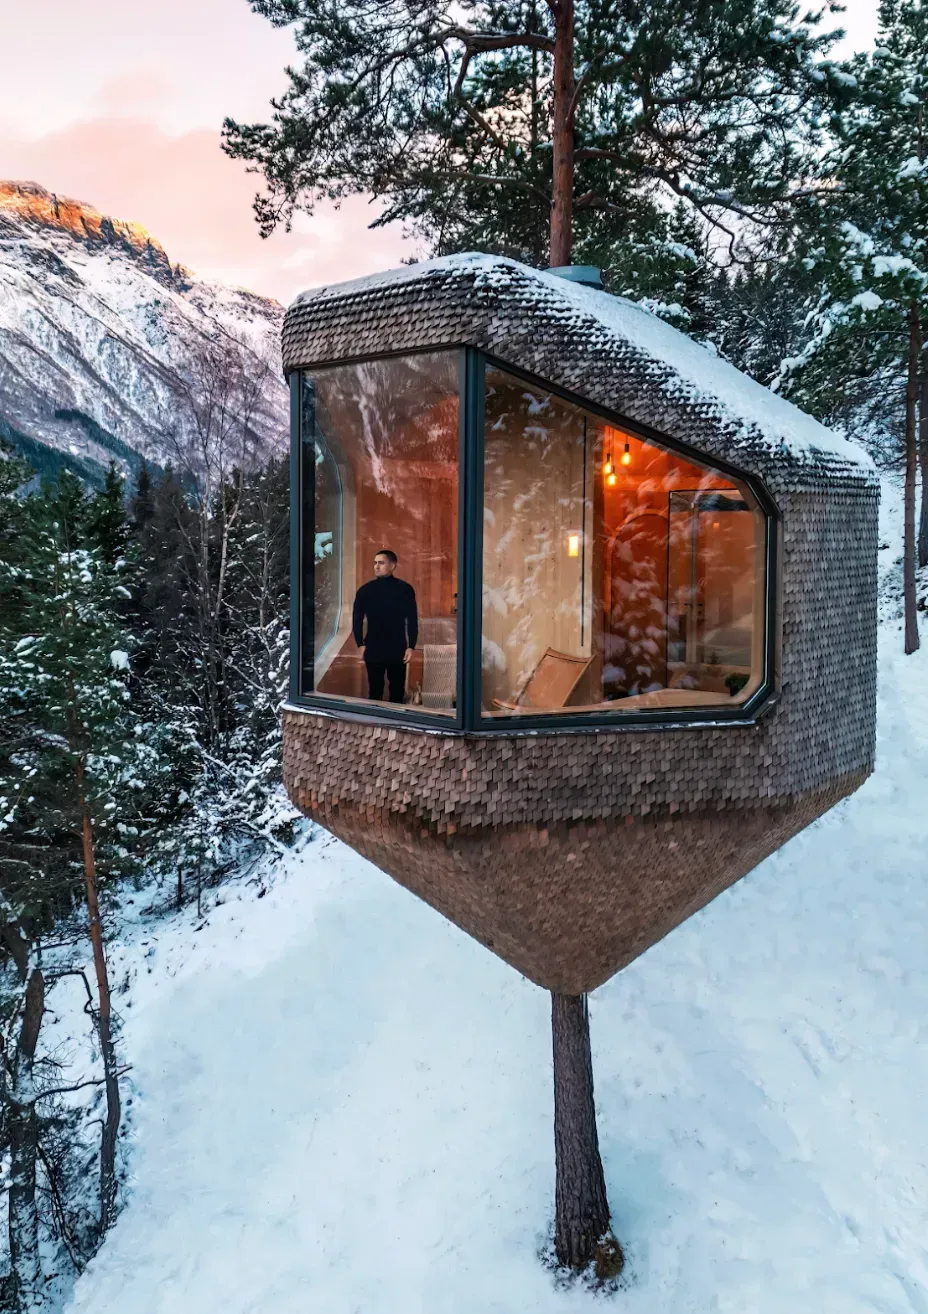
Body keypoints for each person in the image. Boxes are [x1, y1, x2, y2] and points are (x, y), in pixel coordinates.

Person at [352, 549, 418, 703]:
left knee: (397, 691)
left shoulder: (404, 590)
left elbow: (412, 619)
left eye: (381, 563)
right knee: (375, 691)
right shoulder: (365, 591)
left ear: (392, 565)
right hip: (373, 647)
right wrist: (360, 644)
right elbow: (357, 619)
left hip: (398, 648)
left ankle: (397, 725)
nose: (376, 566)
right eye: (375, 563)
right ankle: (375, 724)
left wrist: (411, 646)